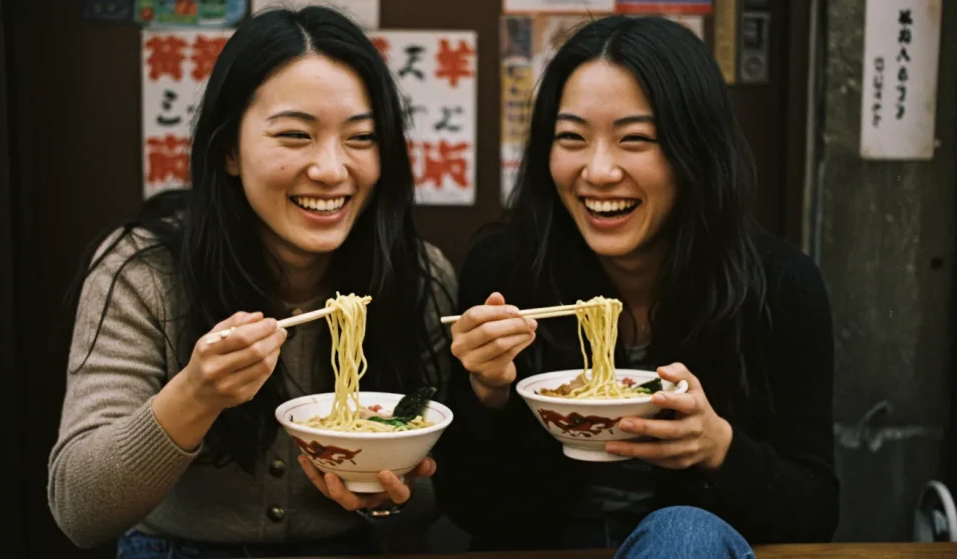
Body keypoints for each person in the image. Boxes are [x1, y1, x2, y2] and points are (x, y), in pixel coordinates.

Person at [48, 7, 456, 558]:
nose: (332, 170)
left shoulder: (416, 276)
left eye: (361, 138)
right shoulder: (143, 271)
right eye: (295, 135)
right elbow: (80, 511)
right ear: (229, 150)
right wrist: (195, 396)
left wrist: (386, 500)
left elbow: (427, 500)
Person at [434, 15, 838, 556]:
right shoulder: (507, 274)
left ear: (696, 150)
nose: (598, 171)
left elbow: (815, 511)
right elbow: (469, 510)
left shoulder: (778, 286)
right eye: (572, 138)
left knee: (683, 533)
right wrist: (489, 393)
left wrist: (718, 448)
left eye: (636, 140)